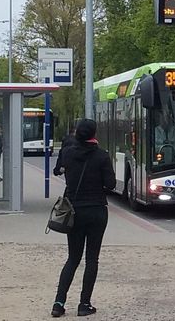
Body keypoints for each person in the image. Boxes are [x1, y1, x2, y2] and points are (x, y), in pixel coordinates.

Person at [51, 119, 115, 318]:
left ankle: (59, 303)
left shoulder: (69, 153)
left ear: (77, 132)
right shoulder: (102, 156)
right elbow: (111, 184)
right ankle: (84, 304)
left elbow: (60, 169)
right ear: (94, 134)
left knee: (72, 258)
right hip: (96, 211)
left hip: (74, 211)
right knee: (92, 259)